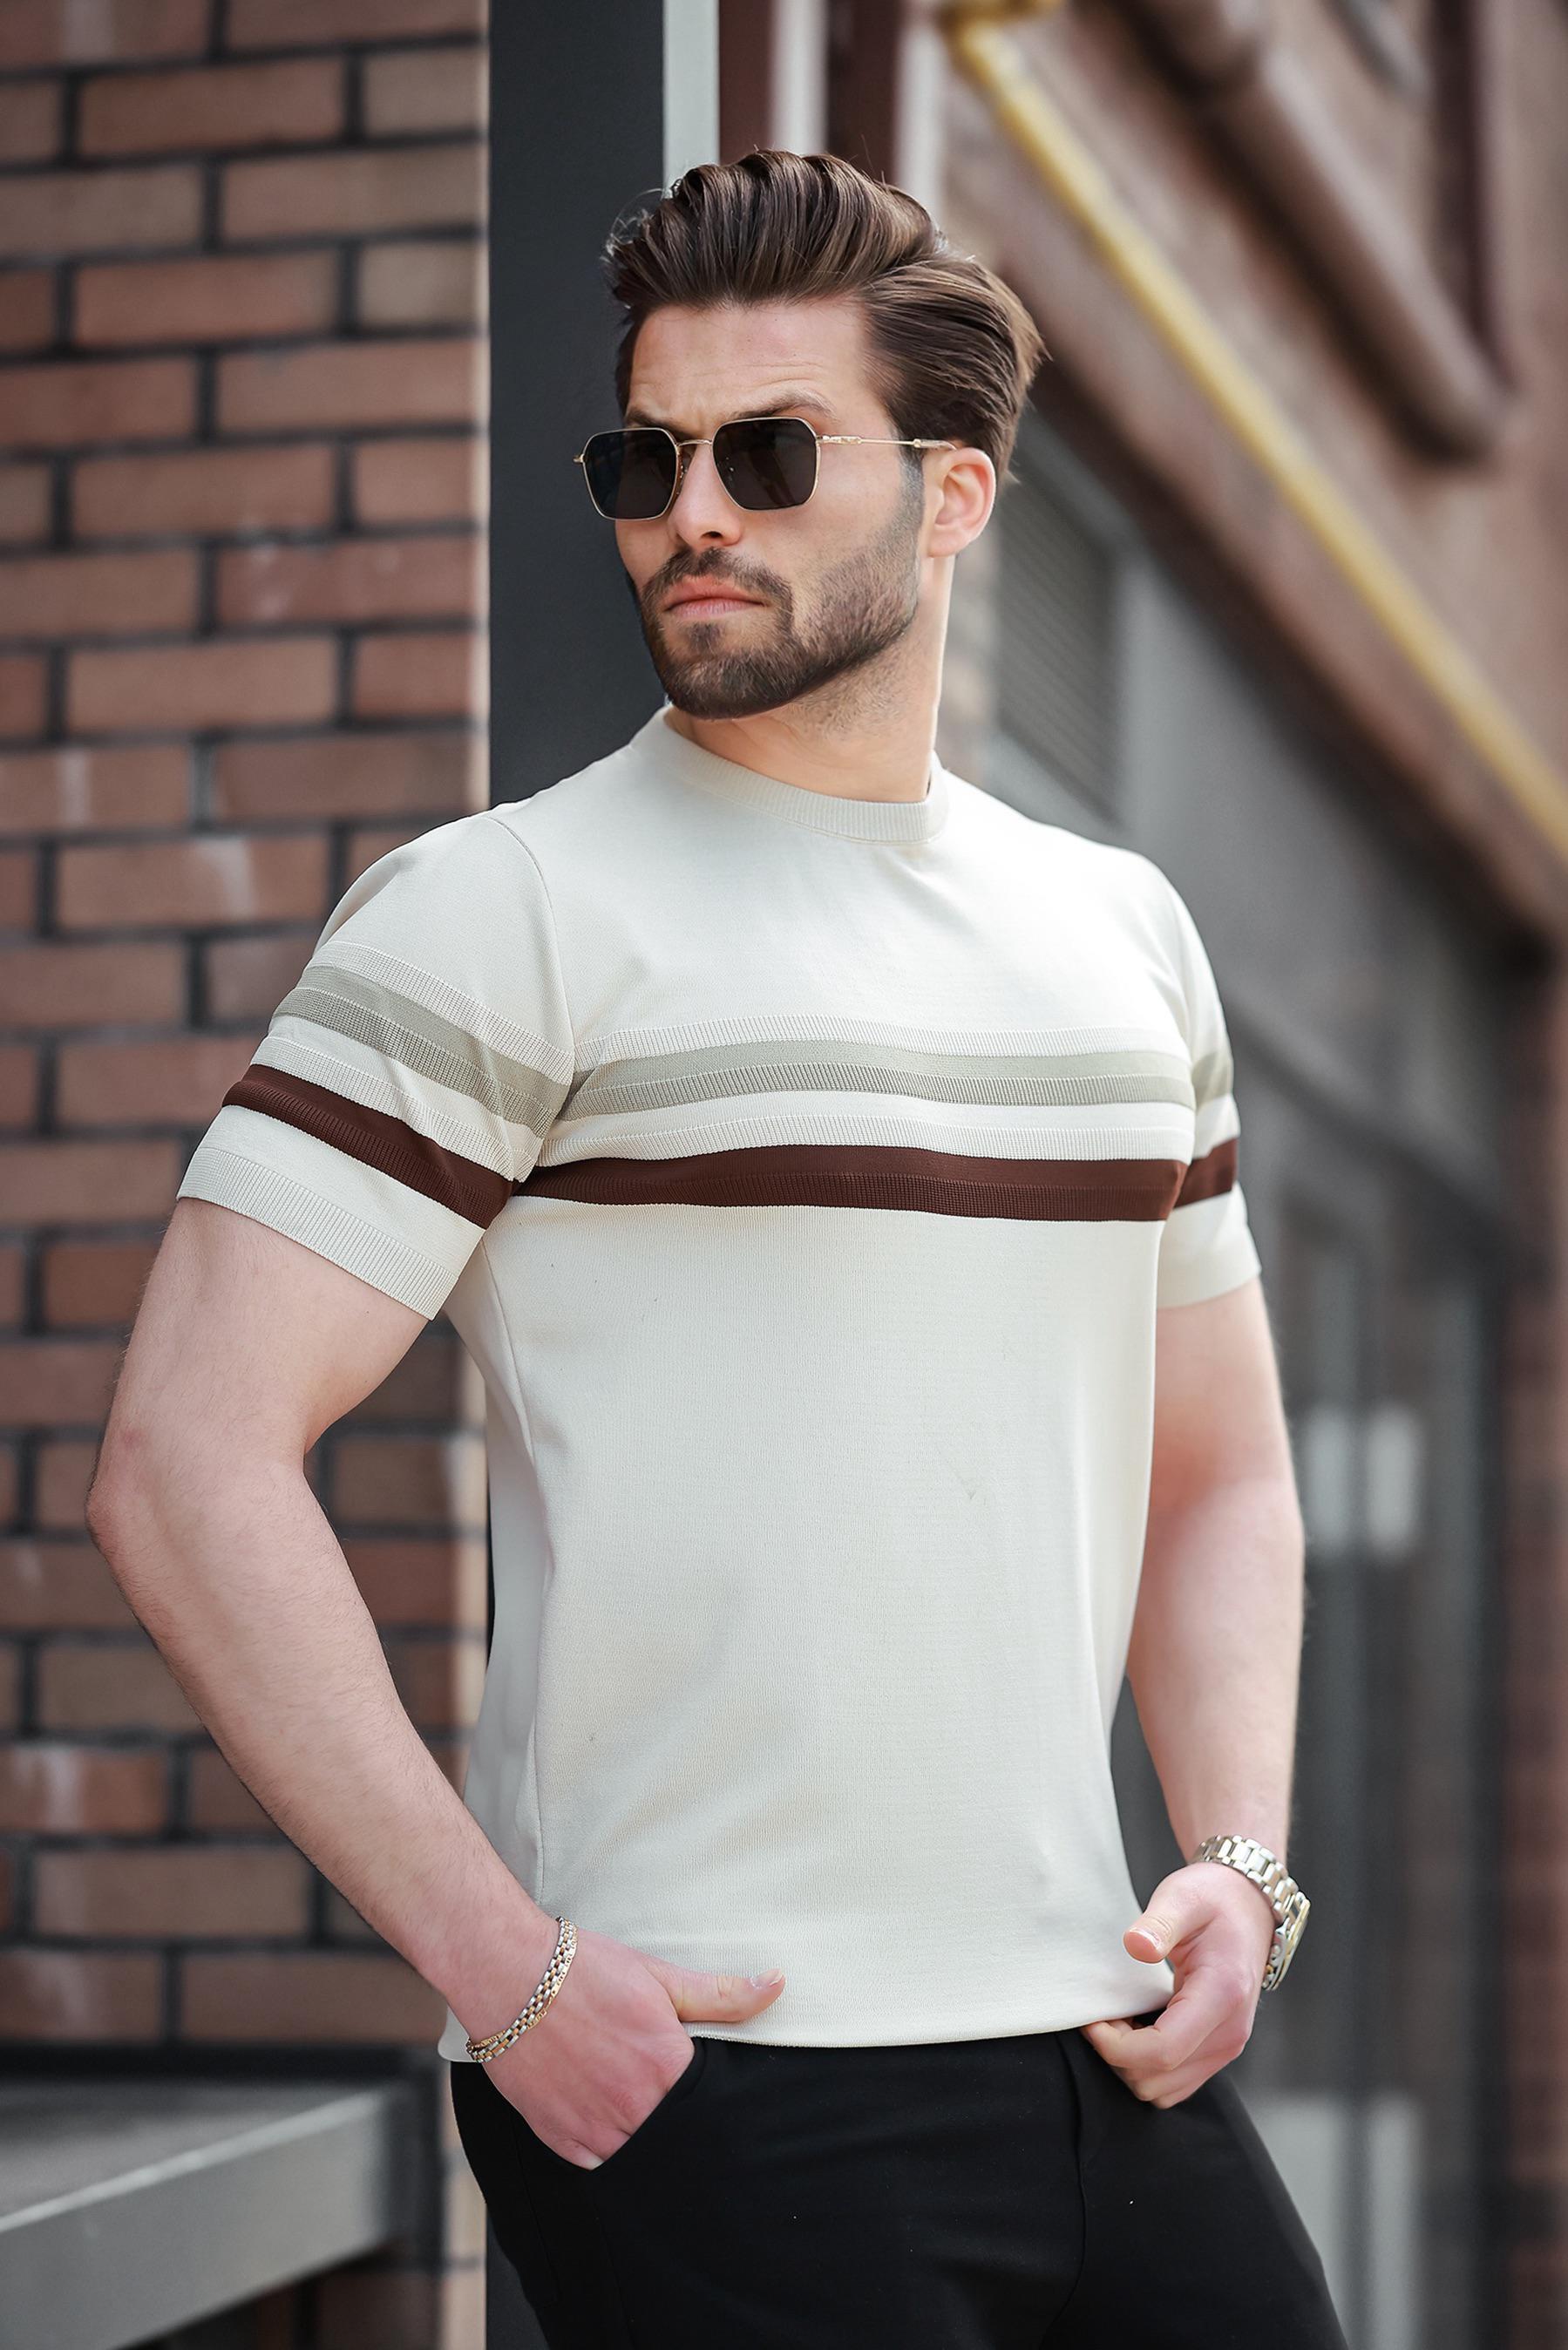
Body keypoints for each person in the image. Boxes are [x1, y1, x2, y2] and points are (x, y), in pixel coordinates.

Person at [88, 149, 1346, 2348]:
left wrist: (1242, 1863)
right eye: (645, 458)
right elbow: (186, 1460)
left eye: (768, 454)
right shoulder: (503, 909)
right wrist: (505, 1972)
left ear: (955, 497)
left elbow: (1220, 1471)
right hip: (716, 2078)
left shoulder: (1122, 934)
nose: (694, 511)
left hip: (1106, 2040)